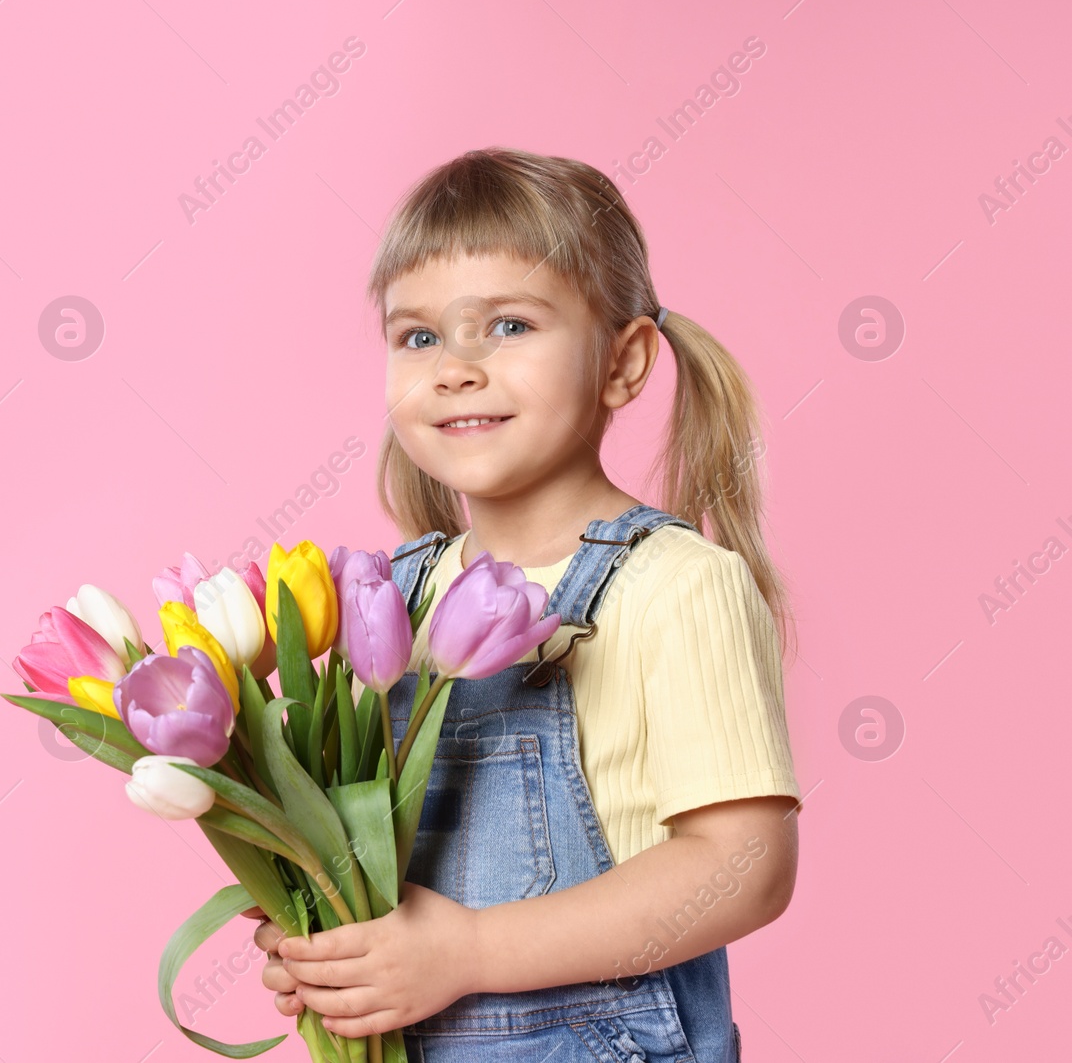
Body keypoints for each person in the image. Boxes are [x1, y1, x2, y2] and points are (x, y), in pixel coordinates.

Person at [244, 148, 802, 1061]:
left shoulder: (674, 583)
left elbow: (743, 868)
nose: (455, 368)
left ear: (622, 363)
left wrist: (467, 952)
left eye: (507, 324)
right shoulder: (386, 597)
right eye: (418, 337)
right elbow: (379, 872)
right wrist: (336, 946)